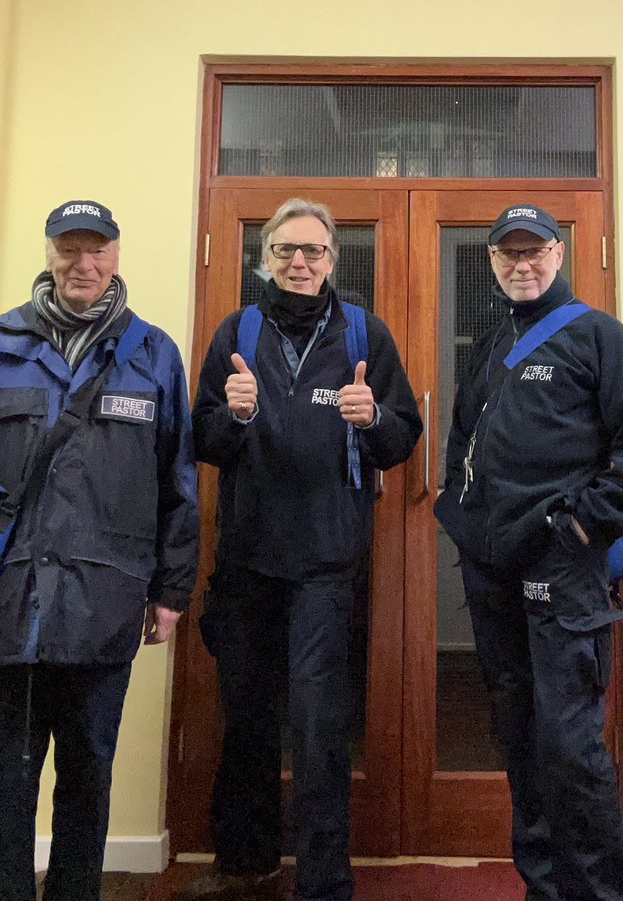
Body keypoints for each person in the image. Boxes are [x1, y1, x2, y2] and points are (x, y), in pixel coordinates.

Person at [435, 203, 623, 901]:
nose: (523, 264)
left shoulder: (599, 337)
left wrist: (579, 531)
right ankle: (544, 889)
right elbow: (461, 442)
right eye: (509, 254)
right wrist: (460, 517)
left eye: (535, 251)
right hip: (492, 574)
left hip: (564, 574)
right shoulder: (487, 345)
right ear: (492, 262)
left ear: (558, 254)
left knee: (570, 752)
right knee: (518, 740)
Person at [189, 198, 422, 901]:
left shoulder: (363, 334)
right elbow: (203, 440)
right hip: (247, 560)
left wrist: (373, 417)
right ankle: (246, 861)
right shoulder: (239, 330)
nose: (300, 262)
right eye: (287, 250)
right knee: (249, 717)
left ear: (332, 261)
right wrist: (231, 416)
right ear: (266, 258)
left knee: (320, 728)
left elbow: (403, 434)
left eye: (314, 252)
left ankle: (324, 881)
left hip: (326, 562)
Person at [0, 200, 199, 901]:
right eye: (70, 250)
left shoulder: (153, 354)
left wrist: (173, 591)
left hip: (104, 600)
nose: (84, 265)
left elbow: (178, 480)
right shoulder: (3, 345)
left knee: (88, 771)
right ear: (50, 254)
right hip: (11, 603)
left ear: (117, 255)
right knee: (8, 779)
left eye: (98, 251)